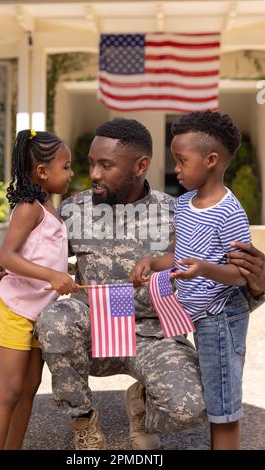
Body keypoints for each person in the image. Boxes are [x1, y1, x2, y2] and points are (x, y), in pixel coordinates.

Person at [0, 118, 265, 451]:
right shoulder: (73, 209)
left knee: (193, 408)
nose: (94, 174)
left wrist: (257, 286)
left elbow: (218, 277)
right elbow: (34, 255)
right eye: (90, 164)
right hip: (92, 330)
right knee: (54, 319)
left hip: (154, 334)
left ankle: (142, 404)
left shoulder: (177, 212)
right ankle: (83, 420)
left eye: (106, 165)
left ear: (141, 166)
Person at [131, 110, 254, 450]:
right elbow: (182, 255)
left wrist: (203, 269)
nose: (177, 169)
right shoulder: (185, 204)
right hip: (193, 314)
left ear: (211, 160)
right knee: (208, 386)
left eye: (182, 161)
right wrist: (153, 261)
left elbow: (240, 273)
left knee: (222, 397)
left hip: (221, 317)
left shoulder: (230, 212)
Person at [0, 129, 78, 450]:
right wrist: (53, 275)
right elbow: (8, 255)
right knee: (9, 391)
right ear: (42, 171)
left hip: (41, 315)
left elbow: (40, 254)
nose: (71, 173)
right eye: (66, 166)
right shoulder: (29, 208)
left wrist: (67, 274)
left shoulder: (49, 209)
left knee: (28, 389)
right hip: (15, 311)